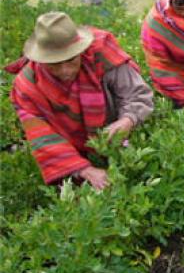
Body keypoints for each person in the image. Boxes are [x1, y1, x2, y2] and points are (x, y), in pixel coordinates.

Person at [7, 12, 153, 190]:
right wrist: (84, 169)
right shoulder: (27, 86)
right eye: (54, 64)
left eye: (71, 60)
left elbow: (136, 92)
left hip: (114, 123)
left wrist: (128, 119)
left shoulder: (101, 52)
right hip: (69, 140)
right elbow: (43, 136)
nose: (65, 71)